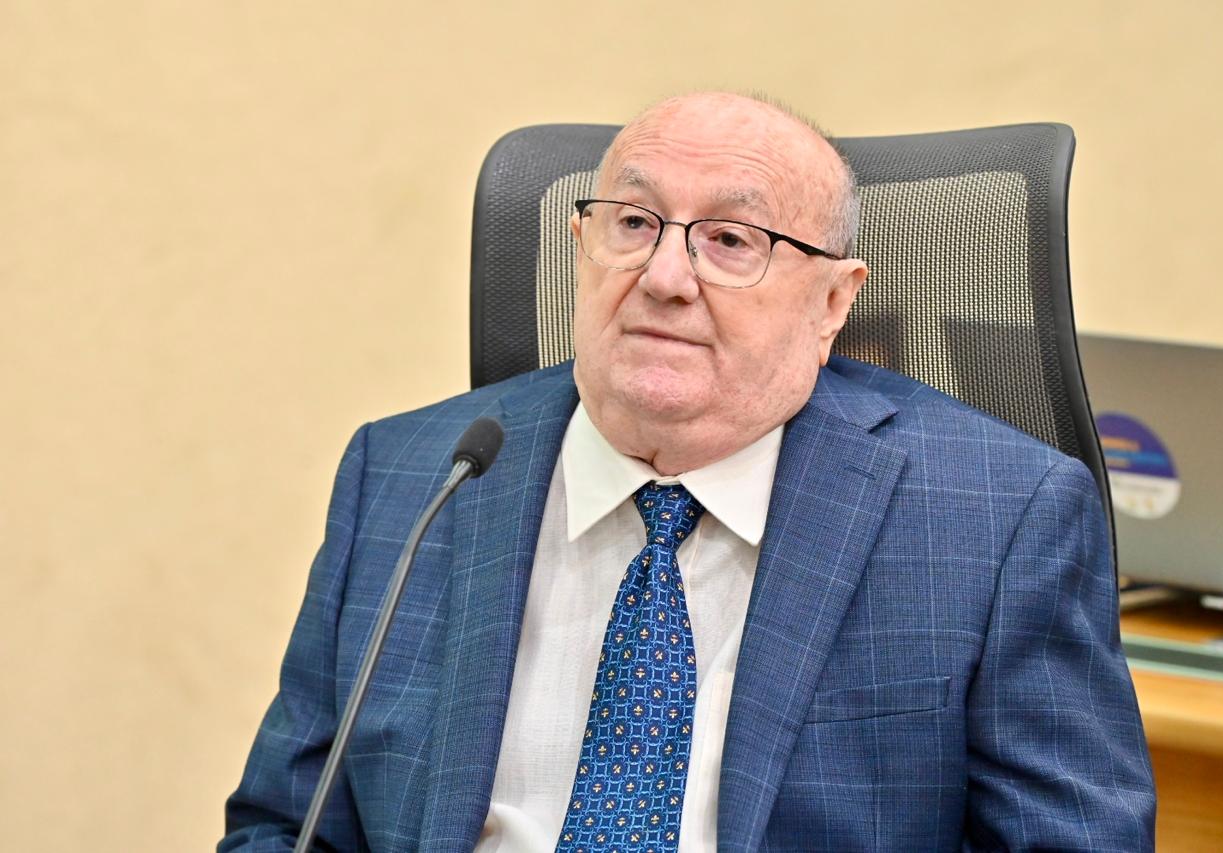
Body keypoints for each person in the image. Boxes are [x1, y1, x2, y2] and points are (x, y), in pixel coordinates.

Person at [221, 92, 1155, 852]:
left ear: (834, 303)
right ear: (581, 250)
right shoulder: (412, 475)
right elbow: (284, 827)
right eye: (634, 223)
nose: (665, 276)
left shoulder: (999, 520)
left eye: (731, 241)